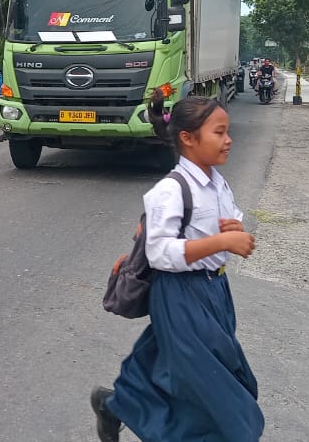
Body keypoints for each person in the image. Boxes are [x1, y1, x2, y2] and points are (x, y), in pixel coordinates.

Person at [91, 93, 263, 442]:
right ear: (188, 138)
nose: (229, 140)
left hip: (214, 294)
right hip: (179, 296)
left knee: (174, 367)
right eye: (219, 132)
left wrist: (235, 230)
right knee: (215, 392)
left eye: (228, 131)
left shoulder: (217, 183)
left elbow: (231, 221)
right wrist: (221, 242)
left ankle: (116, 405)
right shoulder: (169, 191)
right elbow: (159, 253)